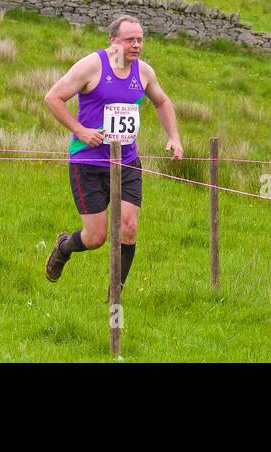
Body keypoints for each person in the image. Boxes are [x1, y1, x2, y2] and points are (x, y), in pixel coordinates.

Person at [42, 15, 183, 291]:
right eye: (130, 39)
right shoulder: (92, 66)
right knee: (96, 237)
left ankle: (115, 292)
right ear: (113, 41)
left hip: (127, 161)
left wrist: (174, 137)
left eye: (140, 40)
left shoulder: (144, 72)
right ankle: (64, 247)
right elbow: (53, 98)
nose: (136, 45)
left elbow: (162, 101)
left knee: (128, 227)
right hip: (88, 162)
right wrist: (81, 130)